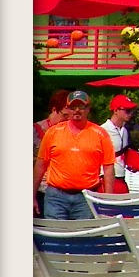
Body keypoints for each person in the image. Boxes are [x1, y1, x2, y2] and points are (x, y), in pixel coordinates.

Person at [33, 90, 115, 220]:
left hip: (86, 198)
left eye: (81, 107)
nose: (77, 111)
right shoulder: (53, 132)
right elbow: (40, 165)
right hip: (56, 198)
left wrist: (108, 200)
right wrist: (32, 195)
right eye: (72, 107)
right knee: (55, 233)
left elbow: (108, 167)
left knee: (83, 232)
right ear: (67, 109)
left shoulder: (100, 134)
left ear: (88, 109)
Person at [100, 95, 137, 192]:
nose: (130, 114)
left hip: (122, 179)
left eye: (131, 110)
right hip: (106, 180)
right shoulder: (103, 130)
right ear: (116, 110)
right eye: (127, 110)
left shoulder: (125, 131)